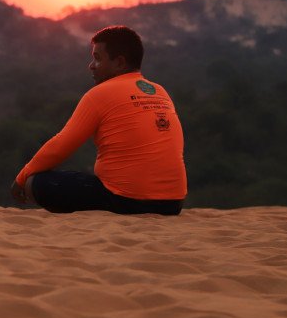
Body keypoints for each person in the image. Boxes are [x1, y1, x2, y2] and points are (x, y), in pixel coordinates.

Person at [11, 25, 187, 215]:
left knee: (35, 183)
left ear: (119, 63)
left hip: (125, 201)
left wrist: (21, 178)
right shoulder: (160, 92)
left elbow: (61, 145)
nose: (91, 65)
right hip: (173, 204)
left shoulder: (99, 94)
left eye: (97, 58)